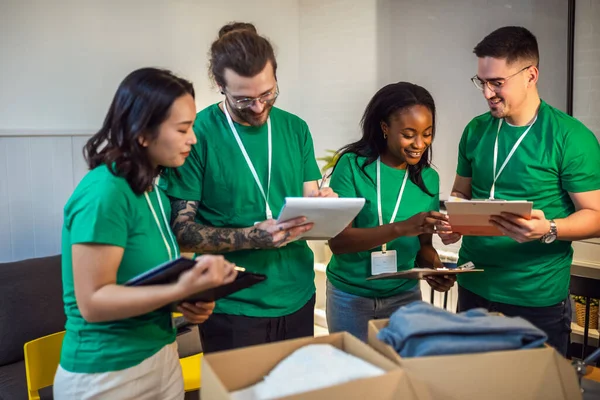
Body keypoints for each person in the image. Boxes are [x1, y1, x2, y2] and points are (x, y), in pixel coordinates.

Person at [53, 68, 238, 400]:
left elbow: (145, 281)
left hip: (161, 354)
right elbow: (93, 303)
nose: (193, 138)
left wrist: (188, 299)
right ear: (142, 133)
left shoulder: (150, 188)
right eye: (182, 129)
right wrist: (179, 290)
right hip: (106, 372)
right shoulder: (104, 192)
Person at [163, 22, 337, 353]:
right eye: (244, 99)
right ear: (219, 85)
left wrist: (324, 205)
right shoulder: (197, 134)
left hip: (297, 294)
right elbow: (180, 231)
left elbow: (308, 200)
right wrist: (251, 238)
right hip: (231, 304)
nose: (258, 108)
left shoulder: (295, 129)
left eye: (267, 94)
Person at [440, 26, 600, 356]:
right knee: (474, 384)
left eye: (497, 82)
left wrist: (549, 229)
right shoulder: (476, 130)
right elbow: (460, 193)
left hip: (535, 296)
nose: (487, 93)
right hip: (473, 286)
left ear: (531, 75)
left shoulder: (570, 138)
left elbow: (597, 216)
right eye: (481, 82)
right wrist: (452, 221)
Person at [325, 82, 456, 342]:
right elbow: (339, 242)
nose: (420, 144)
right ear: (385, 128)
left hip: (404, 298)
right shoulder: (352, 166)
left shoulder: (428, 178)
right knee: (356, 375)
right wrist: (400, 228)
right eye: (409, 134)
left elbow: (423, 247)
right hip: (351, 297)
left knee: (399, 376)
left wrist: (435, 270)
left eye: (427, 133)